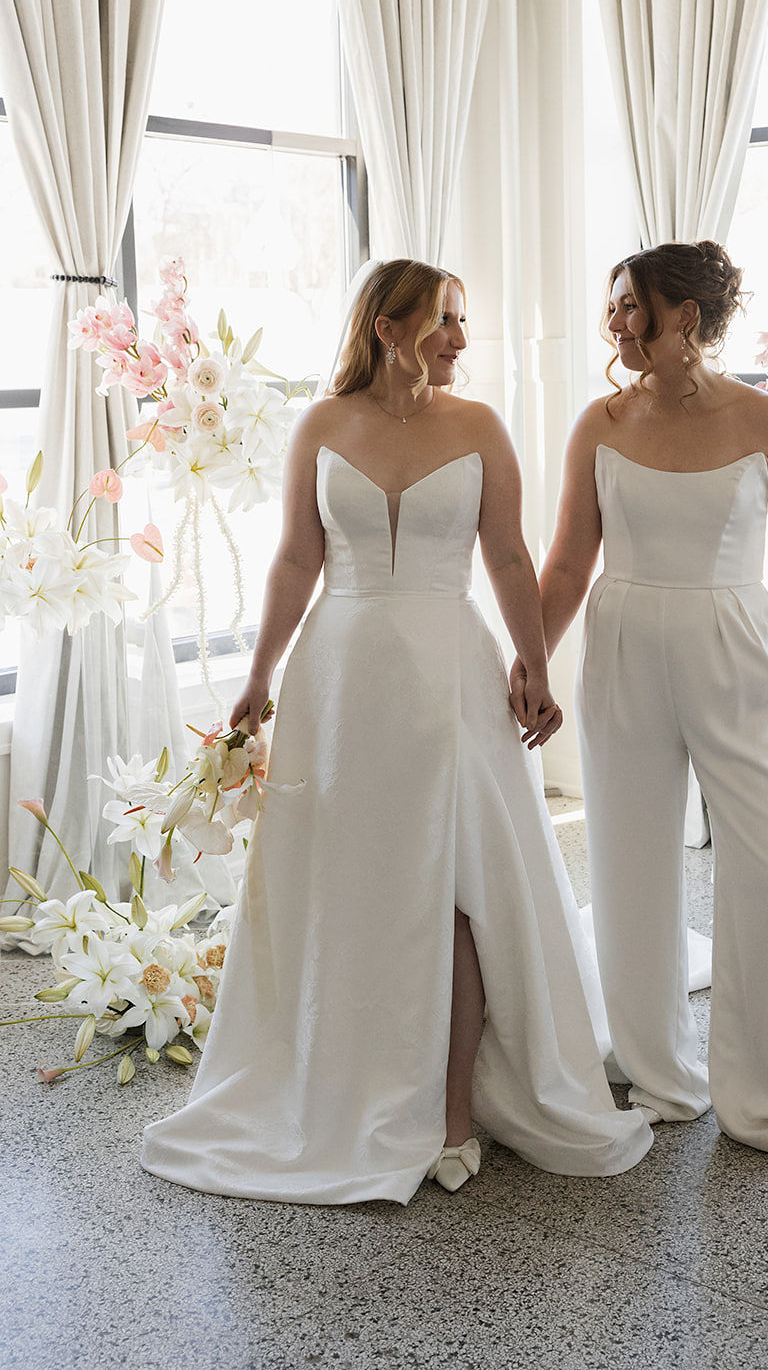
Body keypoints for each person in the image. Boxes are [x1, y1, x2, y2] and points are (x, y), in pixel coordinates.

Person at [141, 259, 652, 1203]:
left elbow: (507, 555)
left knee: (457, 888)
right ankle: (334, 1079)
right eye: (445, 320)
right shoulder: (324, 425)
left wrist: (534, 663)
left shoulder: (480, 427)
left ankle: (452, 1112)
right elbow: (298, 555)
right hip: (341, 675)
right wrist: (257, 675)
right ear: (387, 327)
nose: (460, 338)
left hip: (448, 673)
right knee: (350, 883)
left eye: (463, 320)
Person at [524, 240, 768, 1169]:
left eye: (630, 305)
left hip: (736, 647)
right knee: (629, 862)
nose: (615, 321)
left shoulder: (766, 418)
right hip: (622, 645)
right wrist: (530, 661)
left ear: (686, 318)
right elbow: (571, 559)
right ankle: (662, 1076)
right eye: (613, 305)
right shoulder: (599, 424)